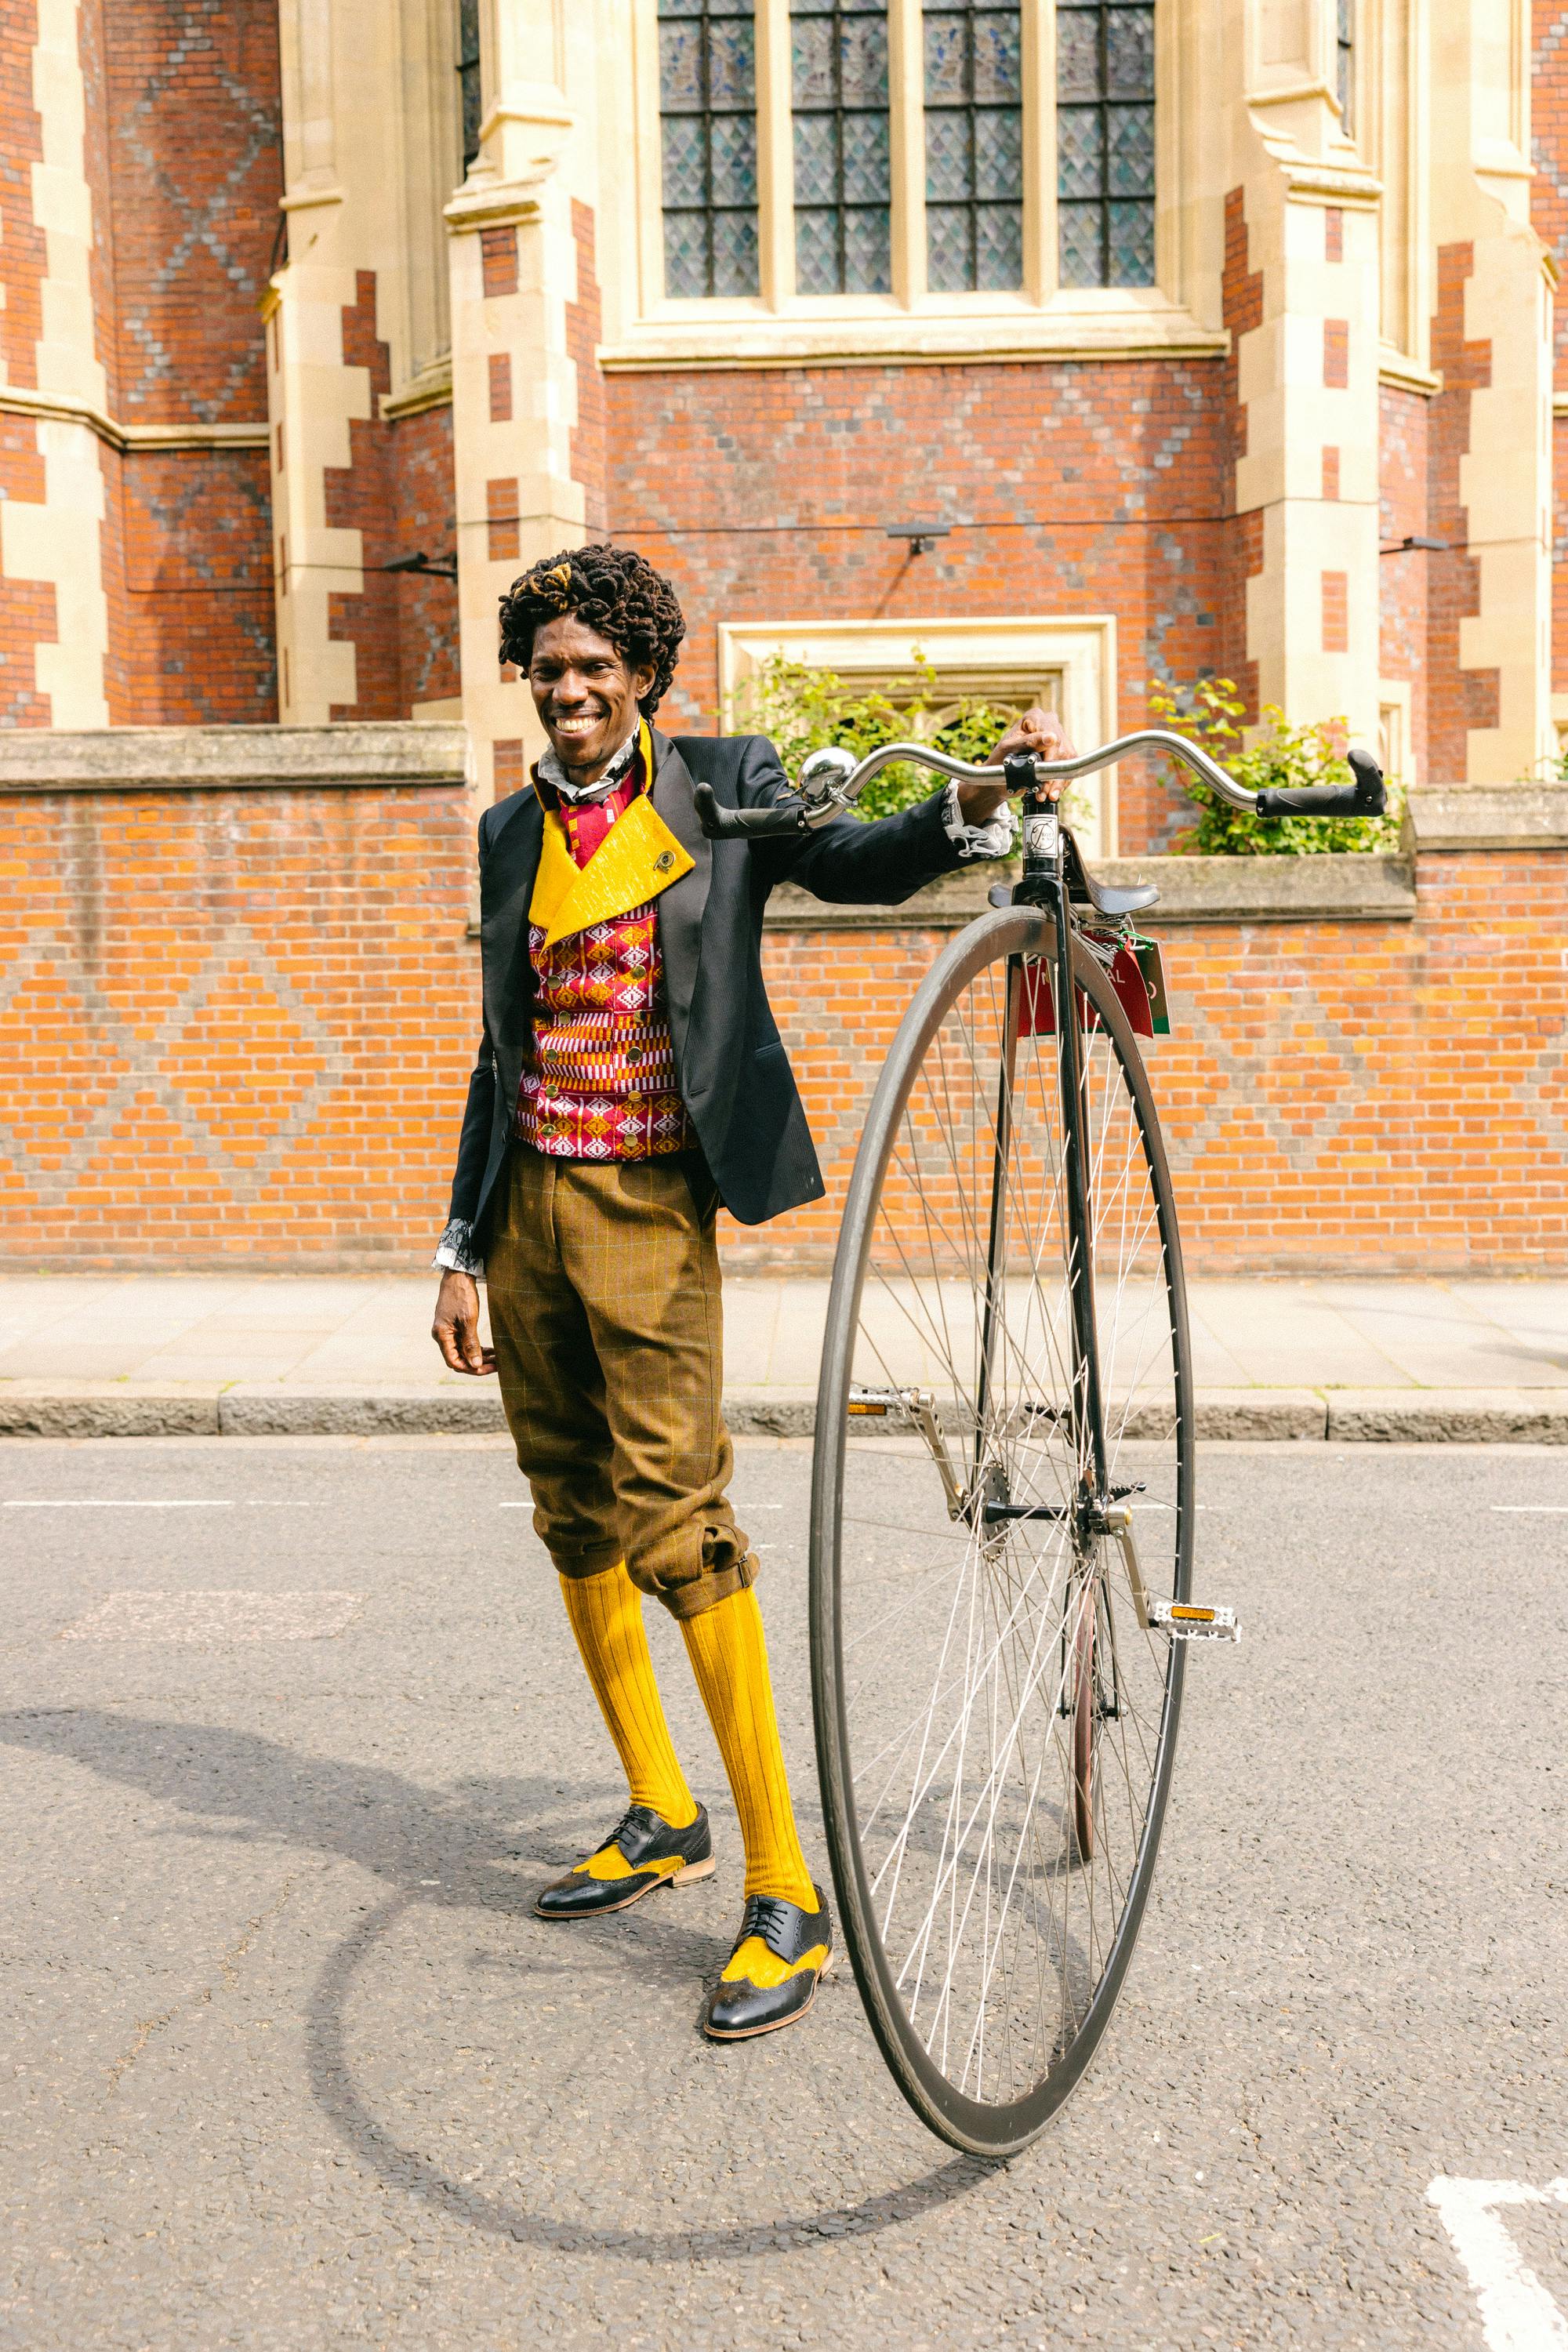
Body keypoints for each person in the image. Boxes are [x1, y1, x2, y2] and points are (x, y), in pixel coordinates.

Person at [431, 542, 1072, 2040]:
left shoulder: (720, 782)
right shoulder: (510, 829)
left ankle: (788, 1887)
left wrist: (976, 803)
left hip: (650, 1197)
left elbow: (851, 864)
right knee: (569, 1505)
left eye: (597, 667)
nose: (570, 689)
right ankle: (662, 1811)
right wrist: (460, 1246)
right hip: (527, 1203)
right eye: (548, 668)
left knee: (675, 1516)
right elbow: (499, 1047)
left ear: (645, 676)